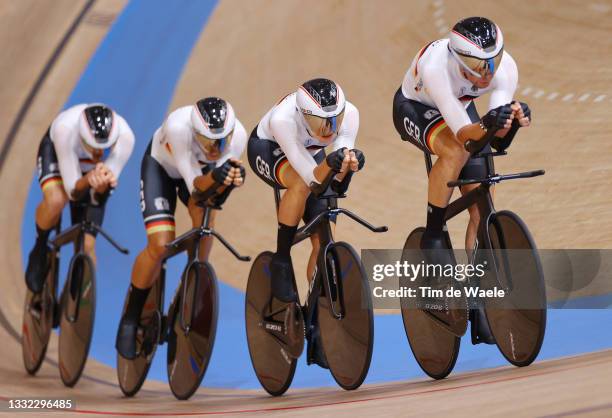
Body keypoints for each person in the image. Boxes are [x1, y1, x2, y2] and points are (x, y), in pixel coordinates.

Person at [392, 17, 532, 342]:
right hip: (416, 106)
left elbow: (491, 137)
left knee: (482, 205)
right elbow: (464, 135)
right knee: (455, 153)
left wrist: (510, 120)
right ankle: (432, 236)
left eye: (491, 63)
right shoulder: (436, 68)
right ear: (457, 58)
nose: (485, 72)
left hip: (460, 107)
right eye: (474, 64)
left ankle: (478, 300)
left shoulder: (506, 68)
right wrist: (490, 124)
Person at [116, 97, 247, 359]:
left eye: (221, 142)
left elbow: (213, 198)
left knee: (205, 227)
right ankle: (130, 318)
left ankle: (191, 283)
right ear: (195, 133)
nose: (215, 148)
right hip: (162, 169)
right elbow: (196, 185)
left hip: (203, 174)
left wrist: (229, 183)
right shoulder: (178, 127)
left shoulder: (239, 136)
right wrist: (218, 178)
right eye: (209, 142)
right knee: (160, 244)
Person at [247, 78, 365, 367]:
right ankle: (281, 258)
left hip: (310, 155)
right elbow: (312, 177)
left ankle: (316, 314)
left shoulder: (350, 114)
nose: (330, 129)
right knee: (301, 183)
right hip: (268, 147)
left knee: (325, 241)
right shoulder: (283, 120)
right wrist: (333, 165)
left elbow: (335, 176)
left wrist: (348, 166)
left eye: (334, 120)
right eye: (320, 121)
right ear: (303, 115)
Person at [25, 104, 135, 294]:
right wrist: (87, 180)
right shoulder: (65, 131)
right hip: (59, 155)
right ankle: (40, 245)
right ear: (83, 138)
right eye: (93, 148)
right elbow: (72, 193)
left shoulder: (126, 139)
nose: (99, 155)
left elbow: (99, 197)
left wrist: (100, 186)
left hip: (87, 175)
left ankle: (79, 299)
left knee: (88, 245)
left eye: (105, 149)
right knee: (56, 201)